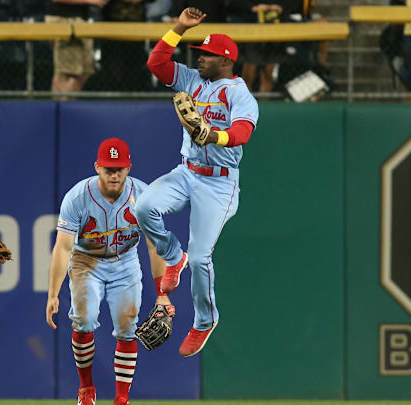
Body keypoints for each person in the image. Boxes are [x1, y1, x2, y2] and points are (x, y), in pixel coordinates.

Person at [139, 7, 259, 357]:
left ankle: (205, 320)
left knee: (201, 258)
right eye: (199, 55)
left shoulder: (237, 92)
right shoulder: (192, 80)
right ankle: (171, 257)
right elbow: (157, 65)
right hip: (187, 171)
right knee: (144, 206)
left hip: (219, 184)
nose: (199, 60)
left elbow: (243, 132)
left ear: (225, 61)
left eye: (206, 55)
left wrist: (214, 136)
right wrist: (179, 27)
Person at [45, 138, 173, 405]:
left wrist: (162, 294)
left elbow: (154, 246)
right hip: (86, 261)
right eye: (108, 168)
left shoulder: (143, 196)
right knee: (84, 320)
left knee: (127, 327)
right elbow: (62, 248)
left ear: (129, 168)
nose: (114, 174)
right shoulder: (78, 197)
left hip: (124, 261)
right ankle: (86, 389)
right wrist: (53, 294)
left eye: (119, 168)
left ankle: (121, 399)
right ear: (97, 168)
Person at [46, 0, 108, 97]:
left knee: (86, 71)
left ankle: (67, 104)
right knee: (66, 73)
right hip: (63, 20)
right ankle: (60, 108)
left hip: (82, 21)